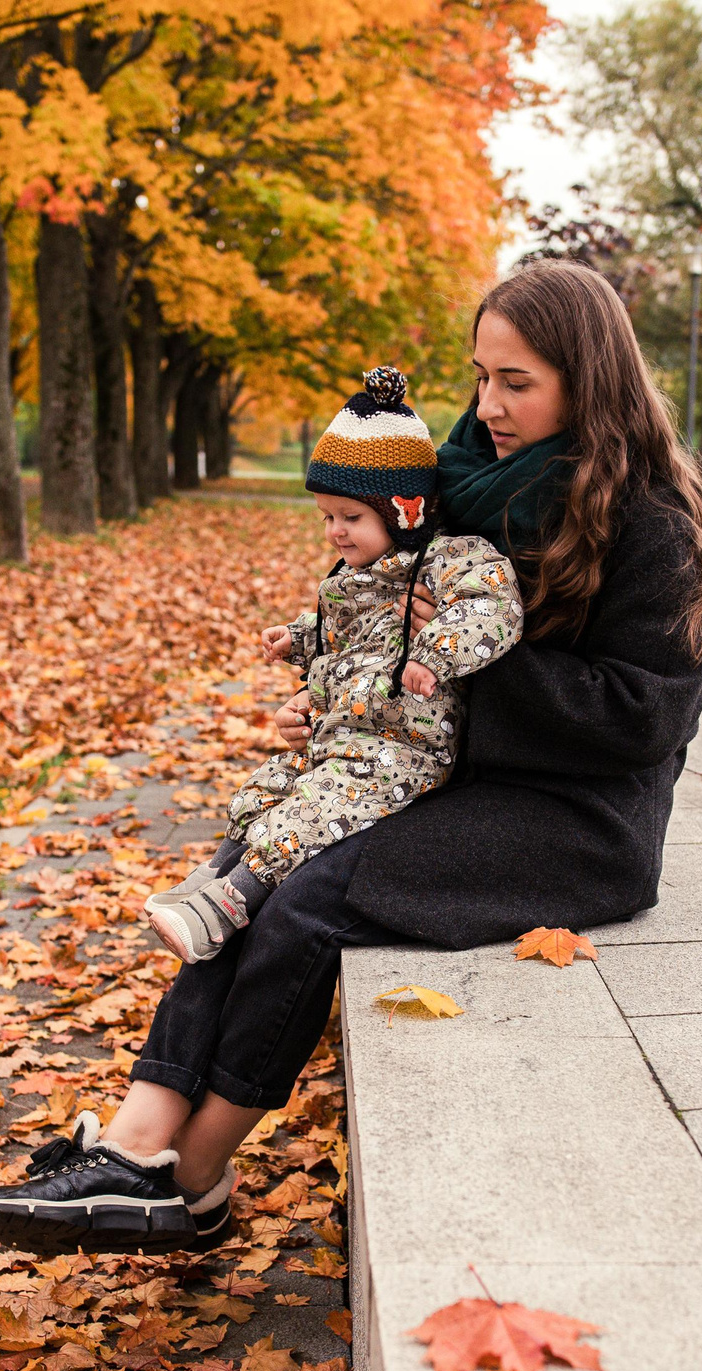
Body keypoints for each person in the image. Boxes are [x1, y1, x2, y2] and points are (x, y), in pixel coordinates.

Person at [0, 260, 702, 1257]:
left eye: (517, 382)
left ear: (590, 382)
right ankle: (136, 1139)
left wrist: (463, 665)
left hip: (579, 820)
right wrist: (340, 695)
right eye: (480, 376)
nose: (489, 405)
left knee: (316, 892)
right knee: (256, 858)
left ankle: (189, 1183)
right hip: (449, 771)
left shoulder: (650, 527)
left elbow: (637, 721)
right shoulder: (455, 483)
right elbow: (368, 605)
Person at [144, 366, 522, 964]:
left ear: (404, 511)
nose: (335, 533)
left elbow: (493, 607)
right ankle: (214, 875)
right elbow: (342, 637)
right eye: (326, 516)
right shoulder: (353, 578)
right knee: (271, 785)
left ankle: (232, 902)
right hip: (345, 729)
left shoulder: (449, 561)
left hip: (401, 747)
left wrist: (433, 655)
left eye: (350, 517)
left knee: (317, 809)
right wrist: (298, 641)